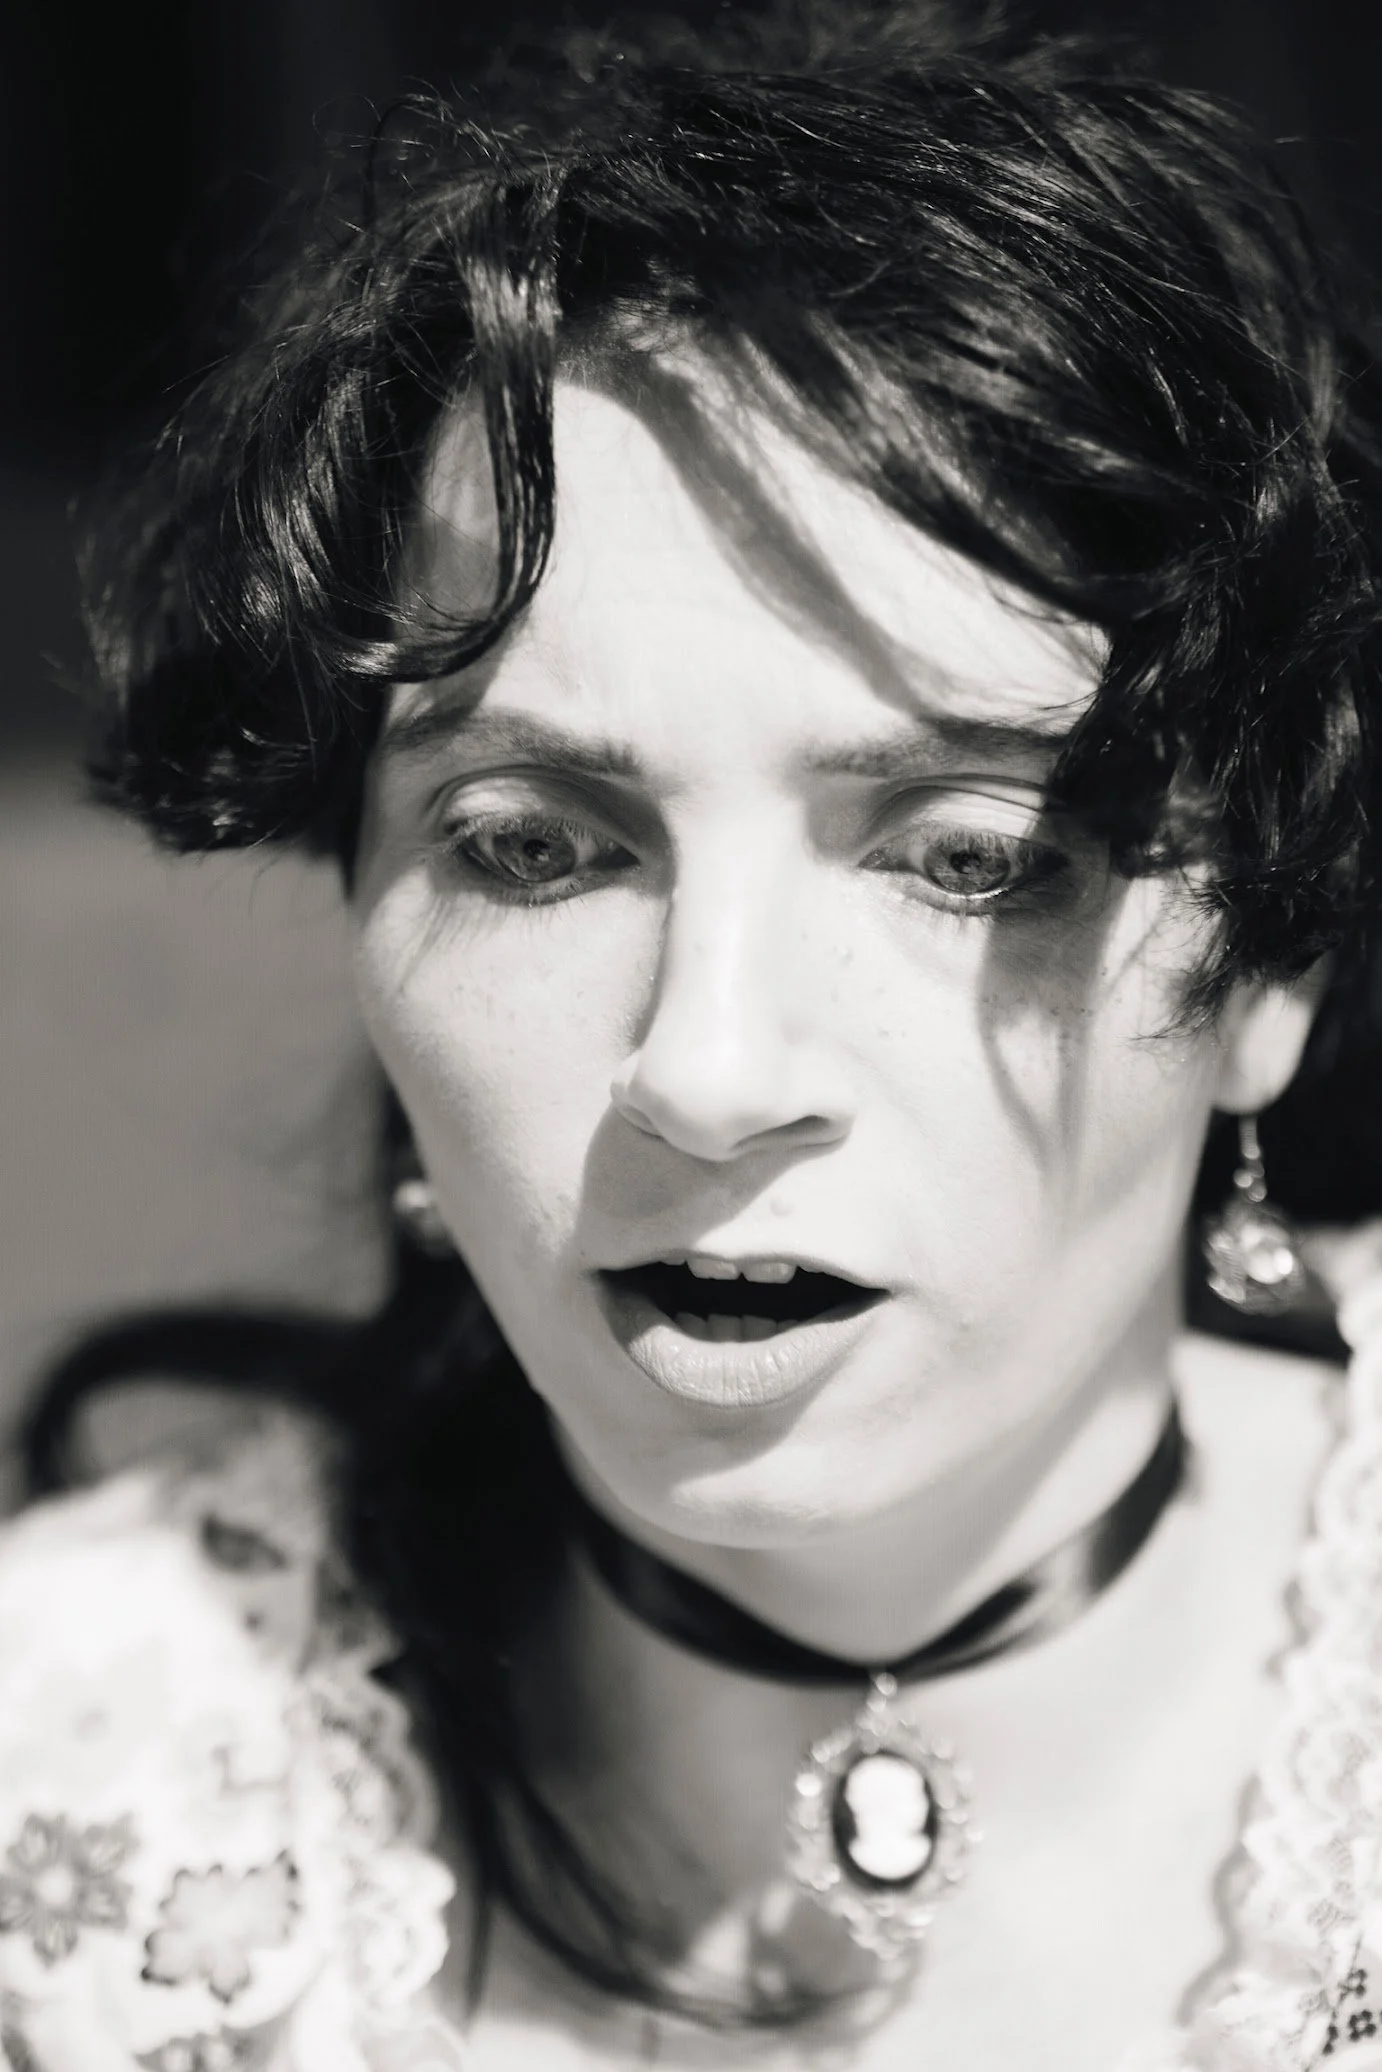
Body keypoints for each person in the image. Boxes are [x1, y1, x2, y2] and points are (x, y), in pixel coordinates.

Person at [4, 3, 1382, 2066]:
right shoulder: (69, 1787)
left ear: (1266, 966)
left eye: (968, 859)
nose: (709, 1073)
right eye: (535, 847)